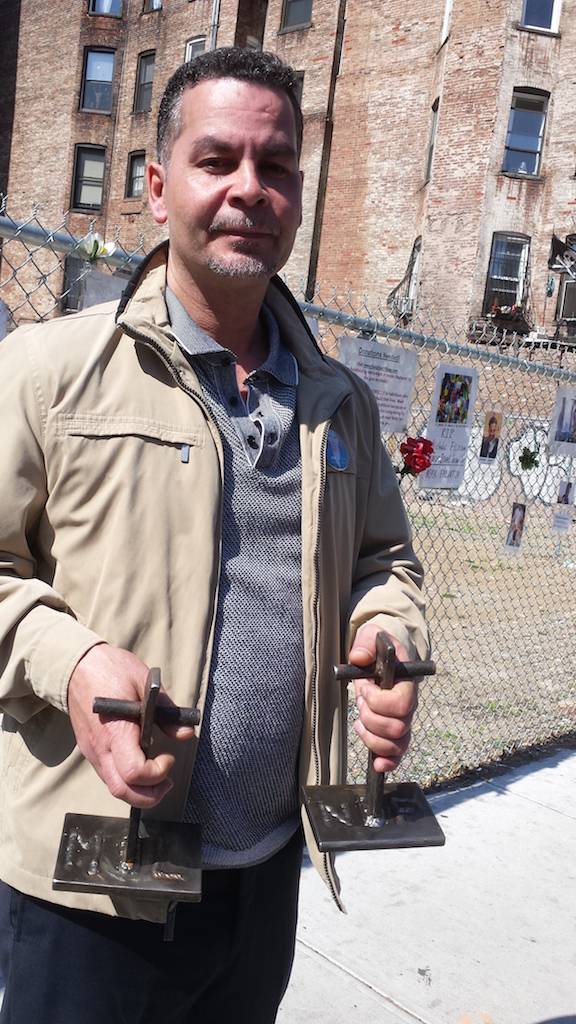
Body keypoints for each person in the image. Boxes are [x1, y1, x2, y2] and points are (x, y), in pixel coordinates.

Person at [0, 48, 429, 1024]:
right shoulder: (48, 372)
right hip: (97, 877)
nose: (251, 188)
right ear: (156, 186)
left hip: (268, 867)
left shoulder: (340, 402)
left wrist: (389, 635)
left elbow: (384, 562)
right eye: (218, 159)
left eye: (275, 166)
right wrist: (72, 662)